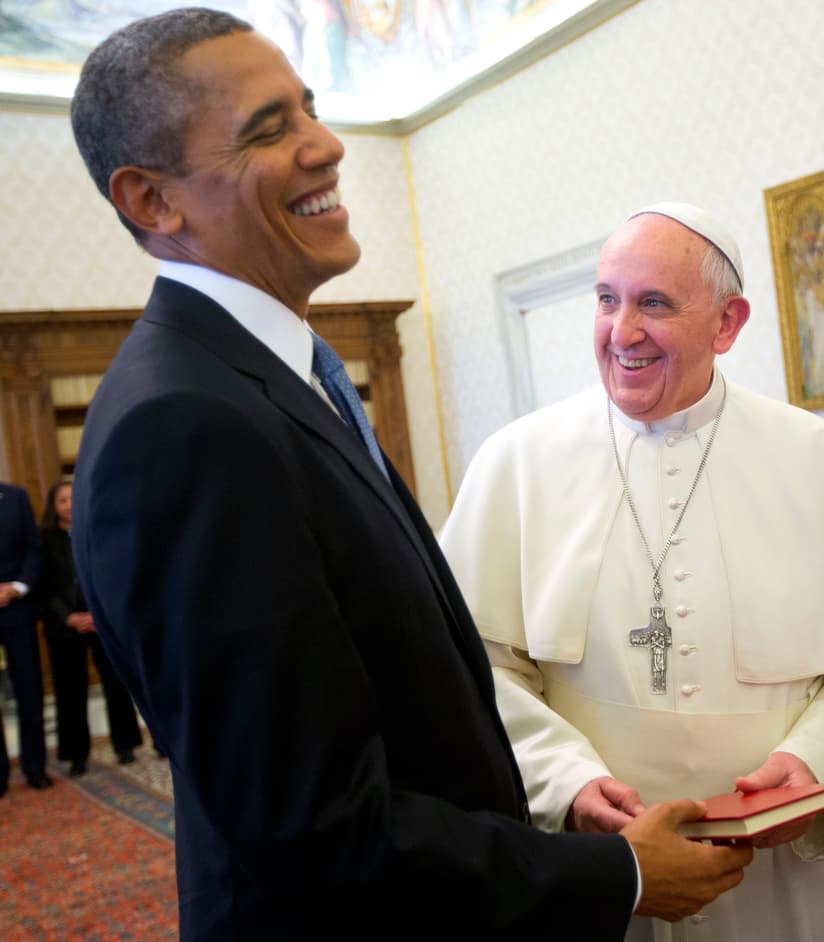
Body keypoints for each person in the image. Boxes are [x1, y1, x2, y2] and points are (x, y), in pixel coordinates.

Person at [68, 10, 749, 940]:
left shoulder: (273, 376)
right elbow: (312, 824)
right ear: (154, 201)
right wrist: (614, 876)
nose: (327, 146)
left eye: (310, 109)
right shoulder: (183, 425)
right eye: (270, 129)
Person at [440, 202, 824, 942]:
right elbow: (476, 668)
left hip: (788, 881)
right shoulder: (516, 463)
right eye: (607, 300)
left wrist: (814, 766)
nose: (622, 332)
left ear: (727, 323)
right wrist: (568, 783)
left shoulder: (817, 458)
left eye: (654, 303)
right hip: (601, 864)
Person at [39, 479, 143, 775]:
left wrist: (98, 612)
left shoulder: (99, 533)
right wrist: (68, 616)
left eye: (74, 498)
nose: (69, 505)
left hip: (102, 621)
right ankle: (76, 754)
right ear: (53, 506)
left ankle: (125, 745)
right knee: (70, 689)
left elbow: (113, 575)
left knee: (116, 684)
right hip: (64, 625)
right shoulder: (44, 540)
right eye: (62, 500)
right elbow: (43, 587)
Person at [0, 480, 50, 794]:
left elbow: (34, 547)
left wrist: (17, 587)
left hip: (17, 609)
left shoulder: (16, 497)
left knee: (29, 691)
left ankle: (35, 767)